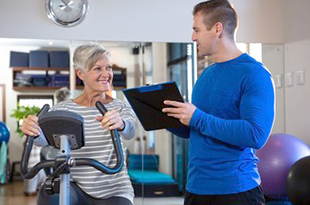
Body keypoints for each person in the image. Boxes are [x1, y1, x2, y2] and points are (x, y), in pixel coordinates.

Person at [162, 1, 275, 204]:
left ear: (217, 28)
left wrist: (197, 117)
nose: (192, 37)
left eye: (196, 30)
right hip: (196, 188)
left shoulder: (254, 73)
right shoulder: (206, 75)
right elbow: (197, 130)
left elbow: (255, 134)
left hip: (236, 190)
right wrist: (166, 117)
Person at [21, 42, 137, 205]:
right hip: (75, 186)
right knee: (48, 197)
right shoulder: (64, 108)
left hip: (114, 189)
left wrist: (121, 124)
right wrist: (32, 130)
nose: (106, 74)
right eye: (98, 68)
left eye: (108, 67)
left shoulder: (120, 107)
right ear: (81, 73)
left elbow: (131, 130)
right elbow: (44, 140)